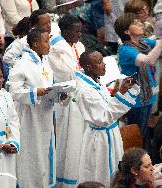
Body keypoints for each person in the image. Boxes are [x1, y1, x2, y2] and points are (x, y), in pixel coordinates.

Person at [75, 50, 140, 186]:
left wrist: (120, 91)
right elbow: (103, 117)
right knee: (100, 173)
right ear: (88, 67)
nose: (104, 65)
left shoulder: (97, 82)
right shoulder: (85, 91)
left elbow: (107, 105)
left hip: (111, 133)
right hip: (100, 139)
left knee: (115, 171)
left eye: (102, 61)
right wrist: (121, 94)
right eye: (99, 63)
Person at [8, 28, 55, 188]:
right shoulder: (22, 64)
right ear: (35, 44)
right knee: (32, 154)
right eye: (46, 41)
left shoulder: (45, 61)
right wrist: (35, 92)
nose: (49, 45)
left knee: (44, 153)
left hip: (45, 114)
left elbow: (49, 84)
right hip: (29, 117)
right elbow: (13, 92)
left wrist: (59, 94)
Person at [114, 13, 162, 150]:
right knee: (138, 134)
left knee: (146, 133)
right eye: (135, 23)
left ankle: (146, 162)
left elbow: (157, 43)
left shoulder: (144, 43)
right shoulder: (125, 50)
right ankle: (137, 164)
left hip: (148, 95)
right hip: (136, 99)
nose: (141, 24)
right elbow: (148, 61)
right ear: (127, 31)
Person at [48, 14, 85, 187]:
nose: (79, 35)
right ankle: (64, 179)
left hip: (82, 97)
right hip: (65, 100)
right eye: (76, 31)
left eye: (80, 31)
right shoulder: (55, 49)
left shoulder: (80, 46)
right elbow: (66, 75)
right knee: (67, 140)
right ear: (65, 31)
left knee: (80, 140)